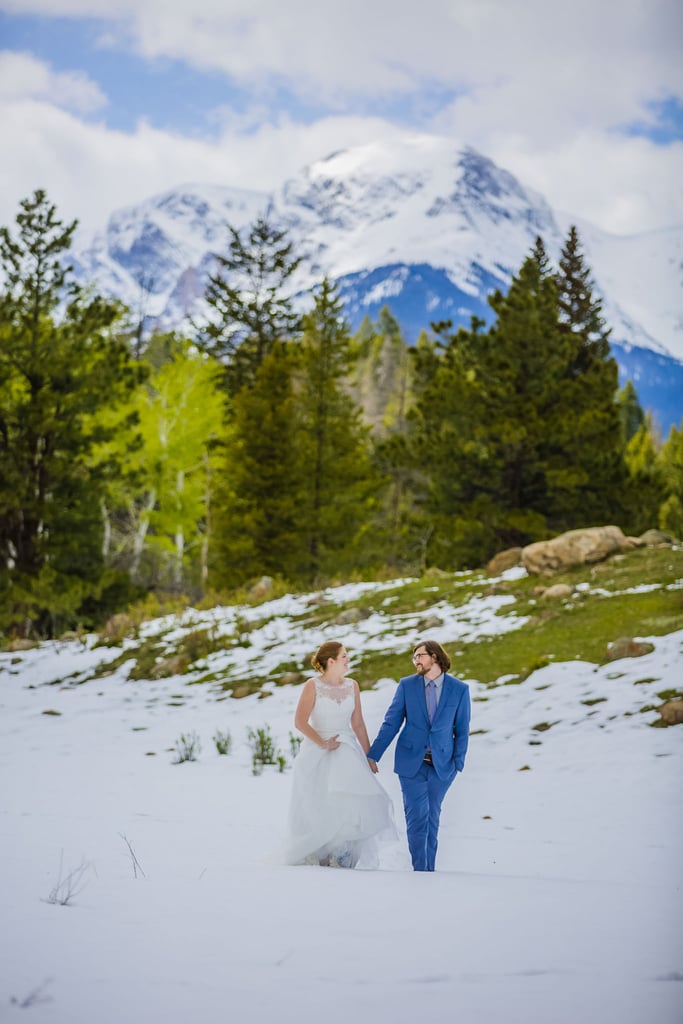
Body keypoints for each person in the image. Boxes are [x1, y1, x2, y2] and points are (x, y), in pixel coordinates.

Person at [284, 641, 395, 868]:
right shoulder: (312, 686)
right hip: (317, 751)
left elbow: (358, 724)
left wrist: (370, 755)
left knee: (350, 802)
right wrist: (323, 743)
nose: (348, 659)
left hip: (347, 751)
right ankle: (318, 853)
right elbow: (300, 721)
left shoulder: (352, 685)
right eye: (344, 655)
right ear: (331, 661)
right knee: (320, 802)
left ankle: (342, 854)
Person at [366, 639, 470, 872]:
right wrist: (374, 754)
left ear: (434, 656)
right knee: (416, 820)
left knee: (432, 818)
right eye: (414, 657)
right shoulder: (406, 686)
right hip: (411, 764)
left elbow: (462, 730)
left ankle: (428, 871)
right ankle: (420, 872)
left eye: (420, 656)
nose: (416, 661)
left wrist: (457, 764)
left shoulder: (460, 690)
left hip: (443, 766)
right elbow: (391, 722)